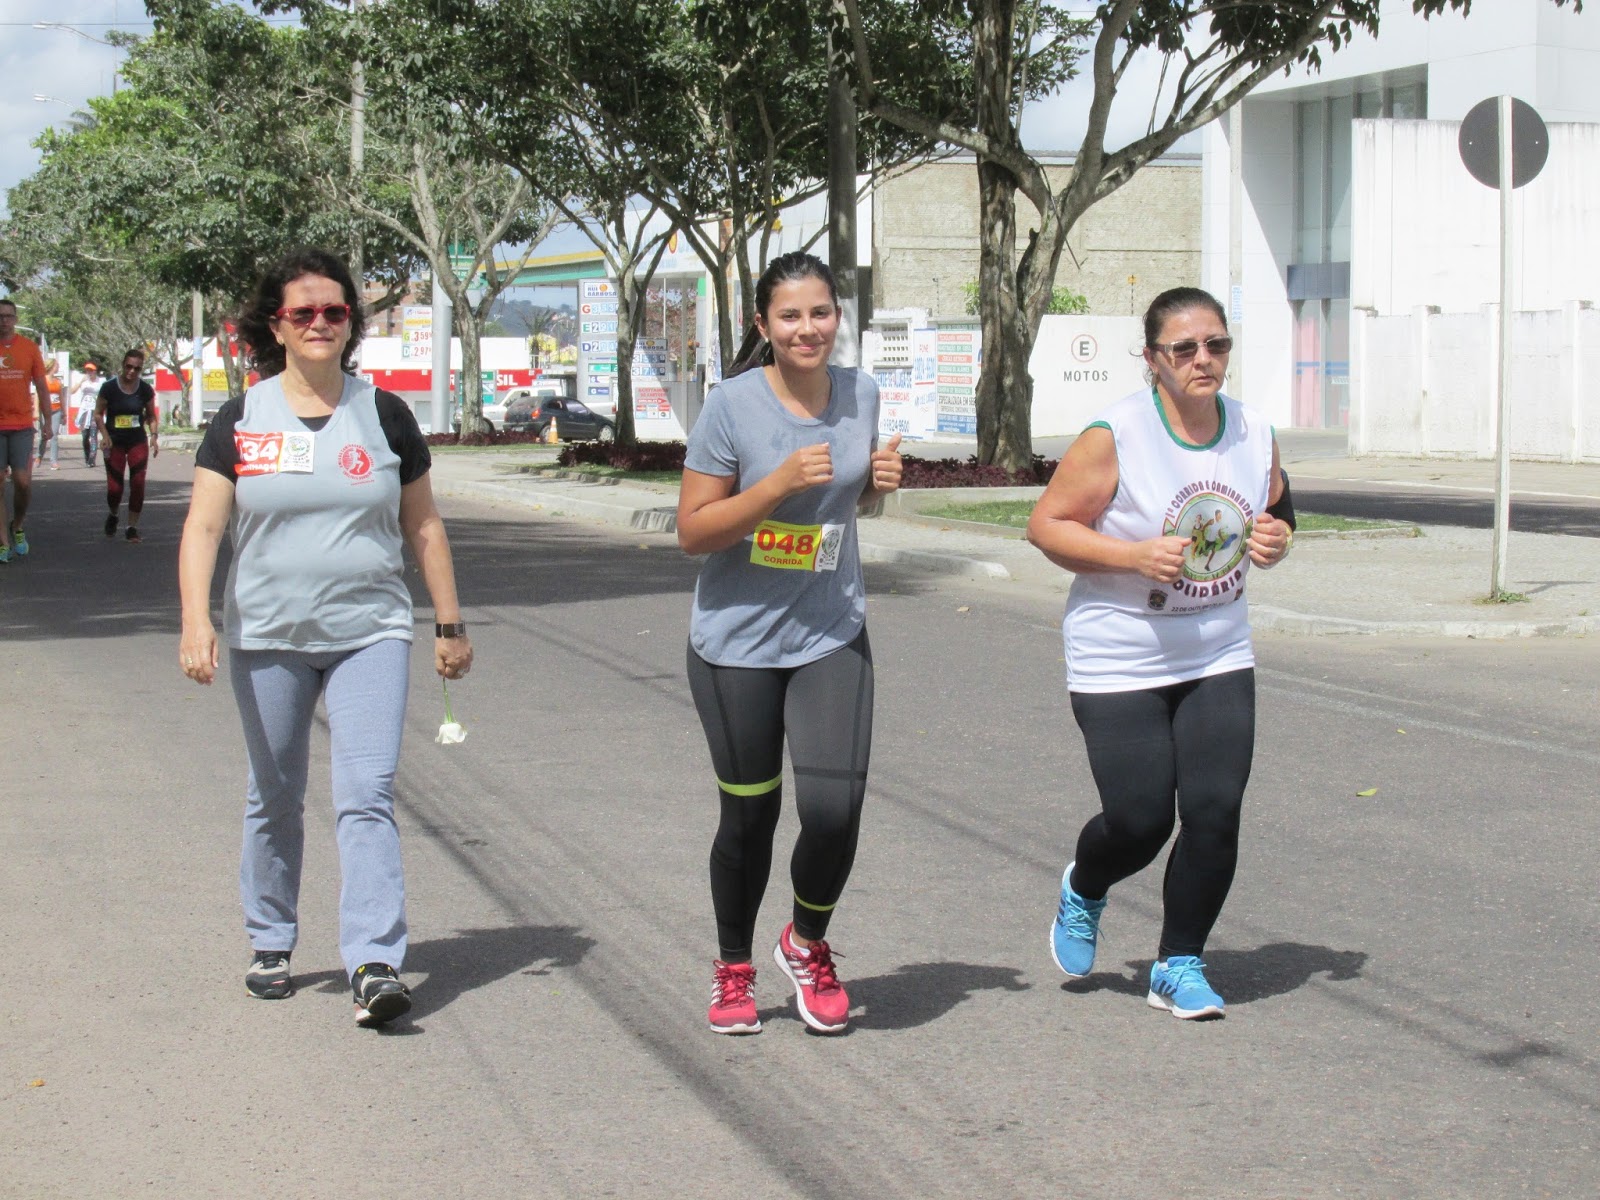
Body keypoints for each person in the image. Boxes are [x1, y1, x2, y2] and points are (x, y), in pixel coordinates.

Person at [179, 248, 472, 1028]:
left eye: (334, 311)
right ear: (274, 325)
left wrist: (448, 623)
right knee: (275, 793)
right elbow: (204, 526)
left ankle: (374, 959)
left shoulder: (384, 414)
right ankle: (270, 938)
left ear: (351, 323)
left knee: (366, 794)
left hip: (368, 633)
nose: (320, 323)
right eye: (302, 312)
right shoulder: (241, 418)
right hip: (267, 636)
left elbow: (423, 524)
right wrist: (196, 619)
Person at [1025, 286, 1295, 1021]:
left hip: (1217, 650)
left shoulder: (1254, 431)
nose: (1203, 359)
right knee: (1140, 820)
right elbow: (1047, 526)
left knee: (1214, 810)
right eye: (1184, 348)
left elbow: (1277, 509)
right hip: (1121, 654)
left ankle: (1179, 963)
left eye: (1216, 345)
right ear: (1152, 359)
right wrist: (1132, 555)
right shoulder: (1116, 435)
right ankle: (1086, 885)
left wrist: (1278, 538)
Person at [676, 251, 903, 1035]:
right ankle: (733, 967)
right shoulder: (731, 406)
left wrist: (875, 483)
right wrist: (774, 485)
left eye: (821, 313)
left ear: (838, 316)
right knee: (750, 817)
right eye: (790, 316)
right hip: (736, 643)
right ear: (763, 325)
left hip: (830, 626)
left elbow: (844, 506)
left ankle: (806, 943)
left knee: (835, 810)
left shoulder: (861, 393)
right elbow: (693, 532)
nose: (808, 329)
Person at [0, 297, 51, 564]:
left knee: (22, 482)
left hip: (21, 425)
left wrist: (48, 421)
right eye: (0, 316)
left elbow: (42, 386)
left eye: (8, 316)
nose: (4, 321)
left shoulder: (29, 348)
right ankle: (3, 542)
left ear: (15, 319)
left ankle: (17, 525)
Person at [95, 349, 160, 542]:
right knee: (115, 488)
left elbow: (151, 415)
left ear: (141, 369)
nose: (132, 371)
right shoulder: (109, 388)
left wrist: (154, 436)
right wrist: (105, 435)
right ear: (123, 365)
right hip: (114, 441)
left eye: (137, 368)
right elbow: (98, 414)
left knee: (138, 484)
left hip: (137, 441)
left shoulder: (145, 390)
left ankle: (132, 527)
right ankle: (114, 514)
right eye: (129, 366)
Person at [72, 362, 103, 467]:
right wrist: (81, 381)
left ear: (95, 371)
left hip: (95, 411)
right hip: (84, 411)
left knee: (93, 435)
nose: (89, 372)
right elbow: (72, 391)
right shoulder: (83, 381)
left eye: (91, 370)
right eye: (87, 370)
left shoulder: (100, 382)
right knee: (85, 436)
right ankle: (87, 456)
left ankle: (92, 459)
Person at [37, 359, 64, 471]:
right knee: (44, 435)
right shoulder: (43, 380)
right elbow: (38, 396)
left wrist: (64, 413)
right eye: (57, 365)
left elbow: (61, 397)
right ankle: (39, 456)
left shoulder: (58, 382)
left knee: (54, 436)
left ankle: (54, 461)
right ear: (52, 366)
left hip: (56, 410)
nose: (58, 367)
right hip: (44, 410)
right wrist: (36, 412)